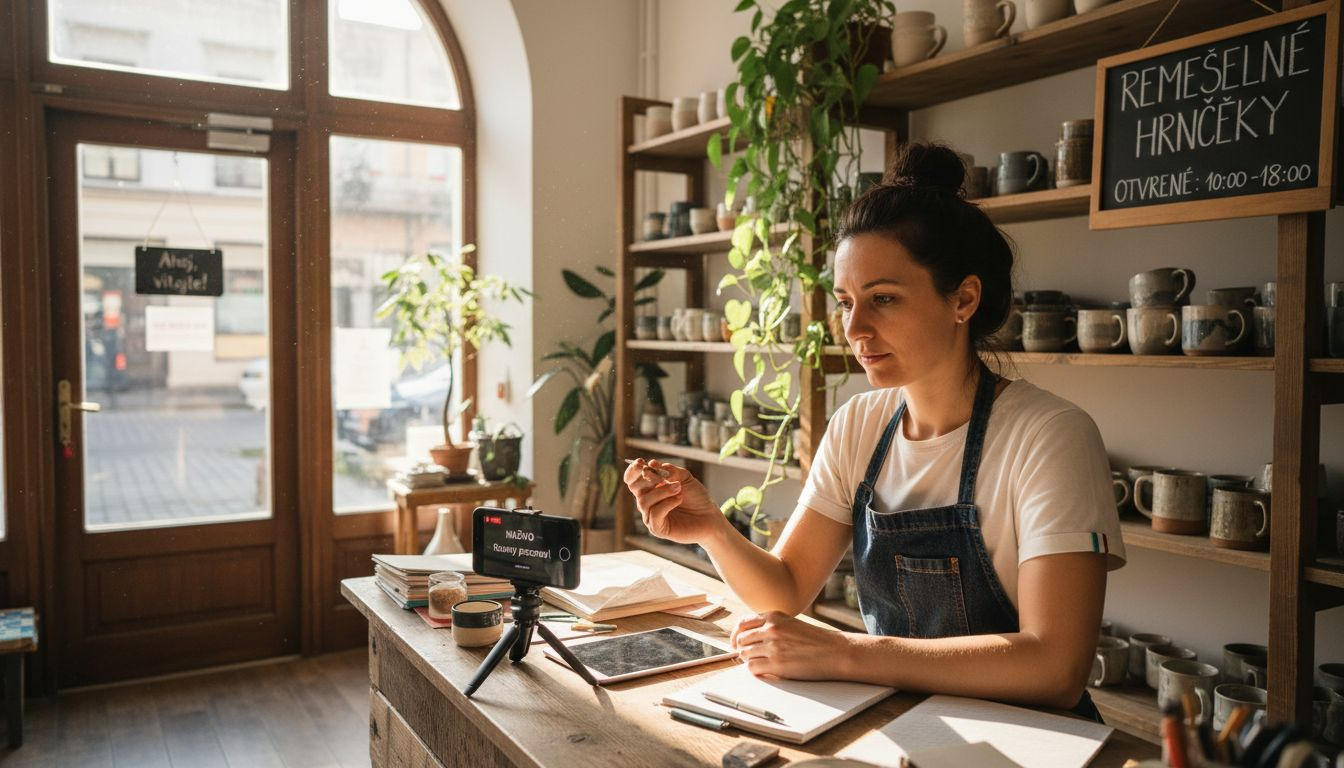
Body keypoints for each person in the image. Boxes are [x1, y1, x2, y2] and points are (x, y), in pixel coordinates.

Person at [623, 142, 1125, 720]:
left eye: (883, 299)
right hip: (904, 724)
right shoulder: (859, 424)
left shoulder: (1051, 436)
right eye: (845, 302)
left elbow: (1055, 669)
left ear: (963, 299)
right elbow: (786, 590)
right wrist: (711, 529)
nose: (855, 328)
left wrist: (850, 654)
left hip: (1036, 743)